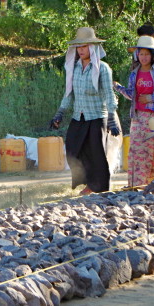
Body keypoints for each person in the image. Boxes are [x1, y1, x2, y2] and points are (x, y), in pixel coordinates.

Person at [50, 27, 120, 195]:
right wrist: (60, 113)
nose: (81, 50)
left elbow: (109, 94)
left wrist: (111, 118)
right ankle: (87, 182)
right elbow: (69, 93)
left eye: (84, 46)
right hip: (79, 115)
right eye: (78, 47)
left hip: (97, 116)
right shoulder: (73, 68)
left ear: (92, 48)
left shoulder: (102, 68)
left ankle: (99, 188)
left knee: (96, 154)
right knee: (73, 149)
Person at [115, 35, 154, 188]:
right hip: (137, 117)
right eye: (141, 54)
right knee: (136, 150)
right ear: (137, 55)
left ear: (152, 56)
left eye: (147, 54)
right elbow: (132, 95)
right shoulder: (134, 73)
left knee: (153, 150)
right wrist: (119, 88)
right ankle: (136, 184)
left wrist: (150, 98)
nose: (144, 57)